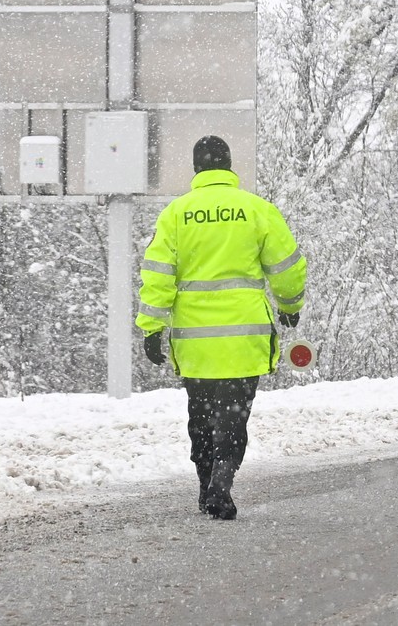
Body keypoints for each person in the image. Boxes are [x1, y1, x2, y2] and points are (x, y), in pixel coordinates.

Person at [135, 135, 307, 520]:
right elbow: (288, 267)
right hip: (244, 338)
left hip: (194, 341)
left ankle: (205, 485)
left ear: (196, 168)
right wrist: (289, 305)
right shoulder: (256, 209)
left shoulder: (176, 214)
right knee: (232, 416)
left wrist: (151, 327)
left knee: (200, 414)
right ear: (229, 166)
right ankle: (222, 483)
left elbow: (158, 275)